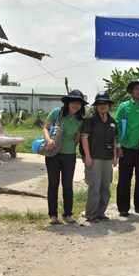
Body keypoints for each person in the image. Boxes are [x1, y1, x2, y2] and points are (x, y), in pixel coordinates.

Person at [44, 89, 88, 225]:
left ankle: (68, 214)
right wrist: (49, 141)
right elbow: (46, 128)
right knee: (53, 184)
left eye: (79, 104)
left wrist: (68, 146)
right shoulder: (56, 112)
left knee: (68, 185)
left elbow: (77, 138)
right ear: (68, 102)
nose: (76, 106)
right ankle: (53, 215)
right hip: (53, 154)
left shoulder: (80, 120)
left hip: (69, 155)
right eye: (74, 103)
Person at [115, 79, 139, 217]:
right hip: (126, 147)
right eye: (136, 88)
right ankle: (123, 207)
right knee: (124, 178)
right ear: (132, 91)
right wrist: (118, 145)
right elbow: (118, 126)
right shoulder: (124, 106)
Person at [80, 91, 117, 223]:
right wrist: (87, 157)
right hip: (94, 157)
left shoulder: (112, 121)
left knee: (105, 187)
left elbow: (114, 140)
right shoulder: (90, 120)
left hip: (107, 158)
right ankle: (91, 214)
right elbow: (84, 138)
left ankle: (101, 212)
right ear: (96, 106)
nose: (102, 106)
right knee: (94, 186)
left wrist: (115, 156)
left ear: (109, 105)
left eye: (105, 103)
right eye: (100, 103)